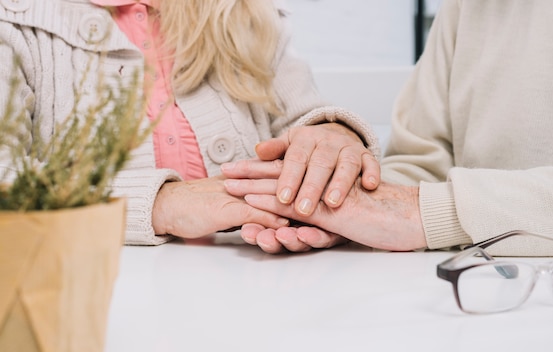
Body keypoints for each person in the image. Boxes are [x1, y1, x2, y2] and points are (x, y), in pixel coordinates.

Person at [222, 0, 553, 255]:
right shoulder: (468, 7)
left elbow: (419, 206)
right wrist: (339, 207)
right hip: (469, 293)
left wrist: (427, 213)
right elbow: (419, 163)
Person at [0, 0, 381, 245]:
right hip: (90, 298)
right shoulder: (12, 23)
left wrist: (330, 140)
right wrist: (160, 204)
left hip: (261, 289)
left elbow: (303, 117)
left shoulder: (246, 13)